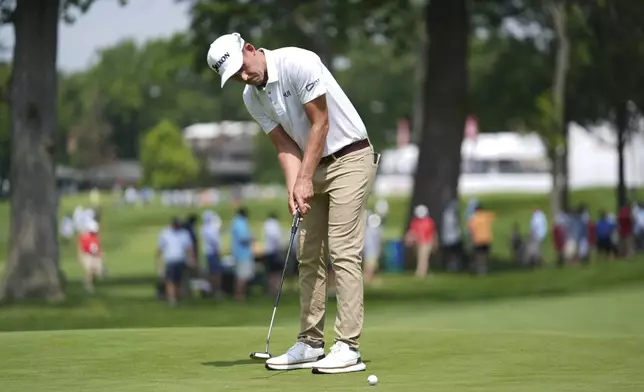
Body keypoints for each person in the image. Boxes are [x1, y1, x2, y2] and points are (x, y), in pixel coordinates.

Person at [207, 32, 379, 373]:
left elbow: (321, 123)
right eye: (236, 76)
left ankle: (348, 347)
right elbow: (285, 146)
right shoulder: (252, 97)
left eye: (243, 68)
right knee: (308, 251)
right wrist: (294, 188)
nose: (244, 77)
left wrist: (304, 178)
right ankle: (311, 343)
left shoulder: (297, 62)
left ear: (251, 50)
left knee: (343, 249)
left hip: (350, 157)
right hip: (313, 166)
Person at [156, 217, 196, 307]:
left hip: (181, 260)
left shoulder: (184, 234)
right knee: (170, 281)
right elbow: (160, 249)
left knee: (178, 281)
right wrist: (159, 264)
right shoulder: (165, 233)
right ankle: (172, 299)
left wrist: (192, 259)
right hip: (170, 260)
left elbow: (189, 248)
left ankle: (177, 297)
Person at [405, 204, 437, 278]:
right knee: (421, 257)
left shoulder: (429, 222)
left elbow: (433, 233)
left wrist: (434, 242)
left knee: (423, 257)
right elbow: (412, 232)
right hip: (418, 242)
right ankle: (424, 271)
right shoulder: (415, 222)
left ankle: (420, 272)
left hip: (426, 242)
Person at [230, 207, 255, 302]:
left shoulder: (236, 222)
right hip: (243, 254)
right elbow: (242, 238)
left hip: (239, 253)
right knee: (242, 276)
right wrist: (252, 238)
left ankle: (240, 294)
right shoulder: (240, 223)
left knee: (240, 276)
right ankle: (239, 295)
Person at [77, 220, 105, 293]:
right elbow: (81, 247)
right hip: (87, 255)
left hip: (95, 255)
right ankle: (88, 285)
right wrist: (80, 256)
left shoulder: (96, 237)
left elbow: (98, 246)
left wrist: (101, 253)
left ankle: (87, 280)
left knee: (98, 271)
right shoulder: (84, 237)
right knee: (90, 270)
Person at [468, 204, 495, 275]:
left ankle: (480, 268)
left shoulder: (473, 218)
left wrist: (471, 238)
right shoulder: (485, 216)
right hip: (486, 238)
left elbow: (471, 229)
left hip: (478, 239)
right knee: (485, 254)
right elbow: (493, 216)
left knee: (479, 255)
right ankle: (484, 267)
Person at [202, 210, 224, 299]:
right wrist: (218, 252)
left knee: (212, 272)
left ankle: (212, 289)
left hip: (209, 253)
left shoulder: (206, 228)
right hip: (212, 253)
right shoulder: (209, 229)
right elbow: (214, 242)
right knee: (215, 273)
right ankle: (215, 290)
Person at [263, 212, 284, 296]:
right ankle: (275, 290)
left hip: (268, 251)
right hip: (274, 251)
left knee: (270, 273)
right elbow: (276, 237)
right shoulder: (275, 225)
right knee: (276, 273)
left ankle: (271, 290)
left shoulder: (266, 224)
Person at [363, 212, 383, 286]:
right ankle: (367, 278)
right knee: (370, 265)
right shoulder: (371, 230)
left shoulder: (371, 230)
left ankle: (370, 278)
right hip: (371, 250)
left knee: (372, 265)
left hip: (371, 250)